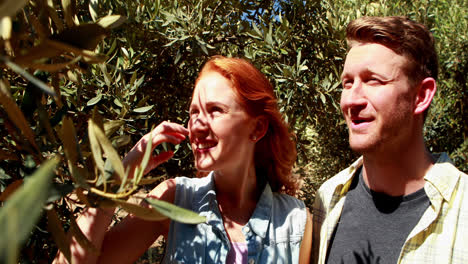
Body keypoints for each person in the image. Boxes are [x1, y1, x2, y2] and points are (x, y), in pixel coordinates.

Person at [54, 56, 312, 264]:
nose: (197, 126)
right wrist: (122, 173)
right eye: (193, 112)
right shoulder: (175, 199)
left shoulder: (296, 221)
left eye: (215, 111)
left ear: (257, 129)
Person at [312, 16, 468, 264]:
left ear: (422, 95)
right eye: (347, 83)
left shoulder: (463, 211)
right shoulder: (328, 199)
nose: (352, 100)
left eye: (373, 80)